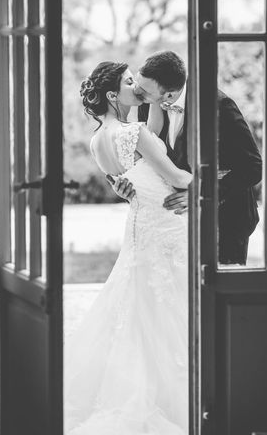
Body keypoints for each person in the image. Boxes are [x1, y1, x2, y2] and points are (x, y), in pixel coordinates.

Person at [64, 61, 191, 435]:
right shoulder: (133, 133)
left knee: (139, 310)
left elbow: (129, 174)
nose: (136, 85)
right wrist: (211, 177)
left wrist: (149, 99)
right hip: (167, 227)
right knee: (165, 314)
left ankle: (137, 387)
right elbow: (177, 177)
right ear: (111, 94)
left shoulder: (98, 139)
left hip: (139, 229)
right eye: (129, 81)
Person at [113, 50, 262, 265]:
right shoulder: (149, 102)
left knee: (217, 292)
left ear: (170, 95)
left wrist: (202, 193)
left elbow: (253, 166)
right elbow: (154, 159)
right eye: (137, 83)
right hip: (176, 223)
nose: (137, 91)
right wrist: (130, 186)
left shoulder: (220, 106)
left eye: (143, 90)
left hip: (226, 219)